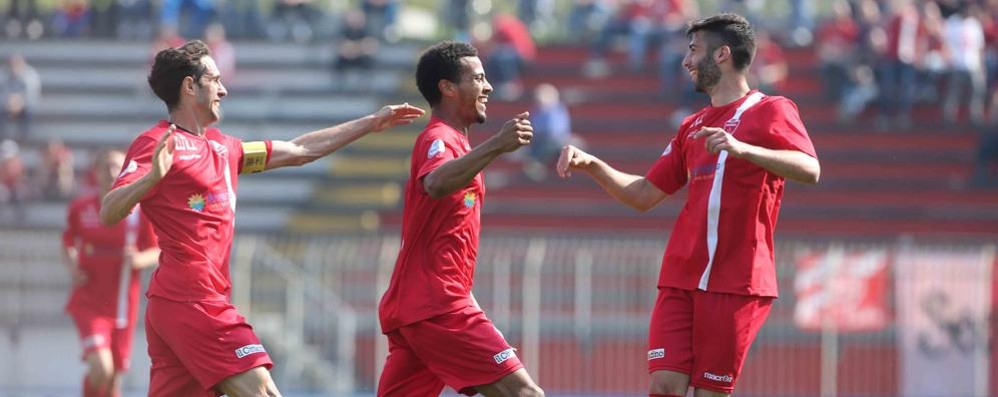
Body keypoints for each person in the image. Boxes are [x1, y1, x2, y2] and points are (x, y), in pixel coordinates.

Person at [99, 40, 423, 396]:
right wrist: (150, 179)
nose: (224, 89)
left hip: (189, 302)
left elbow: (299, 150)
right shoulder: (157, 142)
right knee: (264, 392)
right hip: (190, 298)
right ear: (189, 86)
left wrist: (371, 122)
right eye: (214, 80)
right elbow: (110, 209)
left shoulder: (226, 148)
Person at [557, 14, 819, 397]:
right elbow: (645, 194)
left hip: (738, 280)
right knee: (664, 384)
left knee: (709, 393)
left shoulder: (772, 109)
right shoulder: (691, 126)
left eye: (694, 50)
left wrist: (743, 149)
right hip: (681, 277)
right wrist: (593, 164)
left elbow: (810, 169)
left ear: (723, 55)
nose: (686, 61)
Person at [377, 41, 543, 397]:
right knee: (525, 394)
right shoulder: (438, 138)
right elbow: (436, 182)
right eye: (479, 78)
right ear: (448, 88)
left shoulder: (459, 148)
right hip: (436, 306)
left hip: (425, 307)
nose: (489, 86)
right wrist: (498, 144)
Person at [63, 148, 160, 397]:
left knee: (112, 379)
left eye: (116, 166)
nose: (110, 171)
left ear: (127, 171)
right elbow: (67, 241)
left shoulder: (139, 211)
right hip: (89, 301)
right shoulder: (81, 208)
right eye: (105, 166)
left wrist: (138, 259)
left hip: (122, 305)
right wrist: (72, 263)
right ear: (96, 172)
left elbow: (157, 250)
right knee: (102, 368)